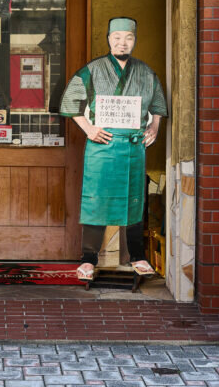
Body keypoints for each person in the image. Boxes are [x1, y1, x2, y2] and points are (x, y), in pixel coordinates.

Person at [59, 17, 167, 280]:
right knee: (97, 200)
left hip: (133, 147)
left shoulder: (145, 72)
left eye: (128, 38)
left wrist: (154, 128)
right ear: (108, 39)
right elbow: (69, 101)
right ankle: (88, 259)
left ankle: (138, 256)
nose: (122, 43)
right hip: (102, 145)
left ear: (134, 40)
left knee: (134, 200)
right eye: (117, 37)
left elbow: (158, 105)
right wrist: (89, 129)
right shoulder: (93, 69)